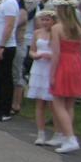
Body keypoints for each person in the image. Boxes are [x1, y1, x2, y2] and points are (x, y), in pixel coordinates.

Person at [48, 0, 81, 153]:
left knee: (58, 103)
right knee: (69, 104)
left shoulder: (57, 28)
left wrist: (52, 74)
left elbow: (56, 54)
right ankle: (66, 135)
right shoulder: (80, 28)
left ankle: (70, 138)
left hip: (63, 64)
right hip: (76, 63)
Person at [28, 9, 56, 145]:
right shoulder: (37, 33)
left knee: (53, 104)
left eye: (47, 20)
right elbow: (32, 50)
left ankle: (58, 133)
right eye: (43, 20)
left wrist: (51, 56)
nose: (45, 22)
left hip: (51, 67)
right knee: (40, 103)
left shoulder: (56, 34)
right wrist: (35, 55)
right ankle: (41, 133)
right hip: (39, 68)